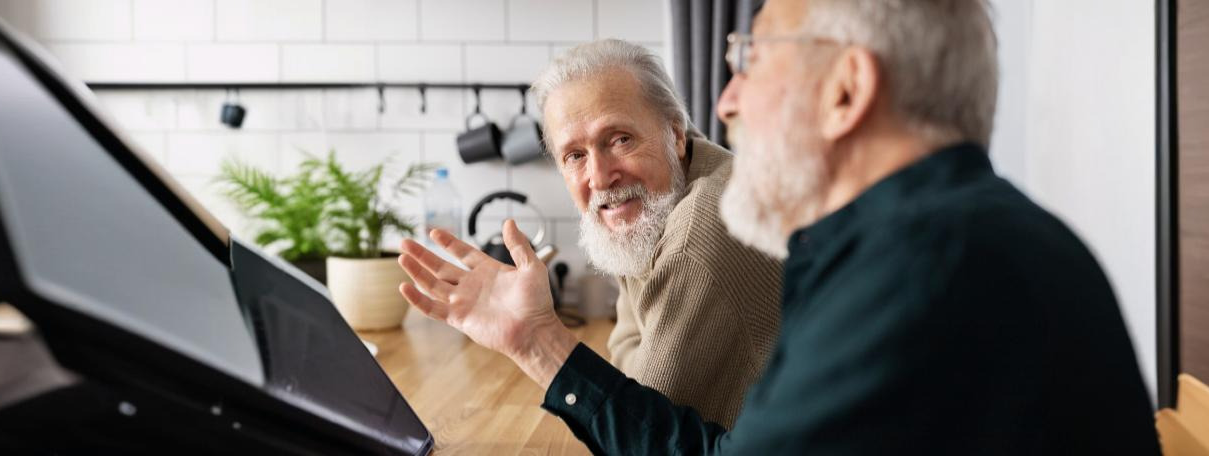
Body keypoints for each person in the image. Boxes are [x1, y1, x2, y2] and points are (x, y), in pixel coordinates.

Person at [396, 0, 1158, 453]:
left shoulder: (921, 271)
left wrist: (538, 342)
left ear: (846, 90)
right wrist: (536, 338)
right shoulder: (948, 239)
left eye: (751, 62)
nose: (728, 103)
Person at [397, 40, 782, 427]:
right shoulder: (658, 206)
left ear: (675, 134)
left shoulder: (698, 234)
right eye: (575, 156)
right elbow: (626, 354)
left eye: (620, 139)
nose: (599, 177)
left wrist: (536, 340)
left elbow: (640, 433)